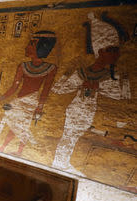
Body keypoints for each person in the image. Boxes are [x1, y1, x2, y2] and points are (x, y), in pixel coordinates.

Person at [51, 12, 130, 175]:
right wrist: (67, 74)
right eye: (112, 50)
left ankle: (62, 163)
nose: (116, 55)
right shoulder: (82, 72)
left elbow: (122, 97)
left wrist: (123, 80)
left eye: (117, 50)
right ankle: (59, 163)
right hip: (76, 110)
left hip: (89, 112)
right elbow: (58, 90)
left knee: (74, 137)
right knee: (69, 137)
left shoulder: (110, 76)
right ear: (100, 52)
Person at [0, 31, 57, 156]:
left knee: (23, 127)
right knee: (13, 125)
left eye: (31, 44)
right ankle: (4, 146)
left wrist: (39, 108)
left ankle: (19, 151)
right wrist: (0, 98)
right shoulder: (23, 66)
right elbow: (14, 87)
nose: (26, 47)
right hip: (19, 100)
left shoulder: (50, 68)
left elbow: (46, 90)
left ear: (41, 47)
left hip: (31, 101)